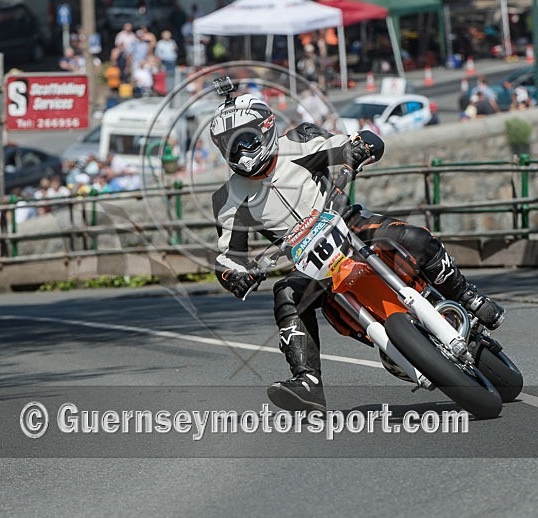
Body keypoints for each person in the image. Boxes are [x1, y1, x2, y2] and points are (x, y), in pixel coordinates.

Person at [209, 87, 506, 412]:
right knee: (286, 293)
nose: (239, 150)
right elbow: (227, 256)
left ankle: (468, 297)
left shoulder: (301, 141)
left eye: (244, 139)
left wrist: (360, 147)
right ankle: (307, 381)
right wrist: (233, 275)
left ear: (265, 127)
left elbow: (353, 142)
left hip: (348, 222)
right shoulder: (227, 199)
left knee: (414, 238)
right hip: (306, 259)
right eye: (230, 145)